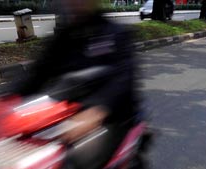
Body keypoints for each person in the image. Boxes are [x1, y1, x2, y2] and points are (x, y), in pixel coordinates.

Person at [14, 0, 138, 155]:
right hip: (67, 111)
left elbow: (122, 78)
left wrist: (98, 110)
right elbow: (38, 73)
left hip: (111, 116)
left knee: (78, 162)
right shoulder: (64, 37)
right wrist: (10, 99)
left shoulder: (116, 33)